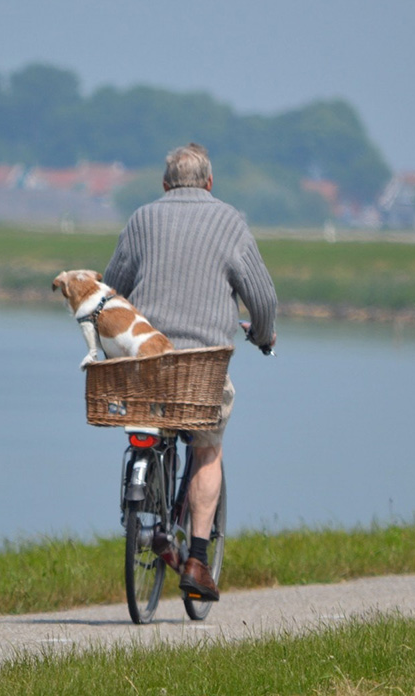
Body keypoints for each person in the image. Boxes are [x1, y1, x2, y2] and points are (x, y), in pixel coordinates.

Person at [103, 142, 277, 601]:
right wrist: (263, 334)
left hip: (146, 364)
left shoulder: (142, 218)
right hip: (203, 368)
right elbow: (262, 298)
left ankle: (148, 512)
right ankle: (198, 559)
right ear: (210, 183)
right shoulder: (230, 222)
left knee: (150, 422)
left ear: (164, 185)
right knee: (207, 449)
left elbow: (110, 291)